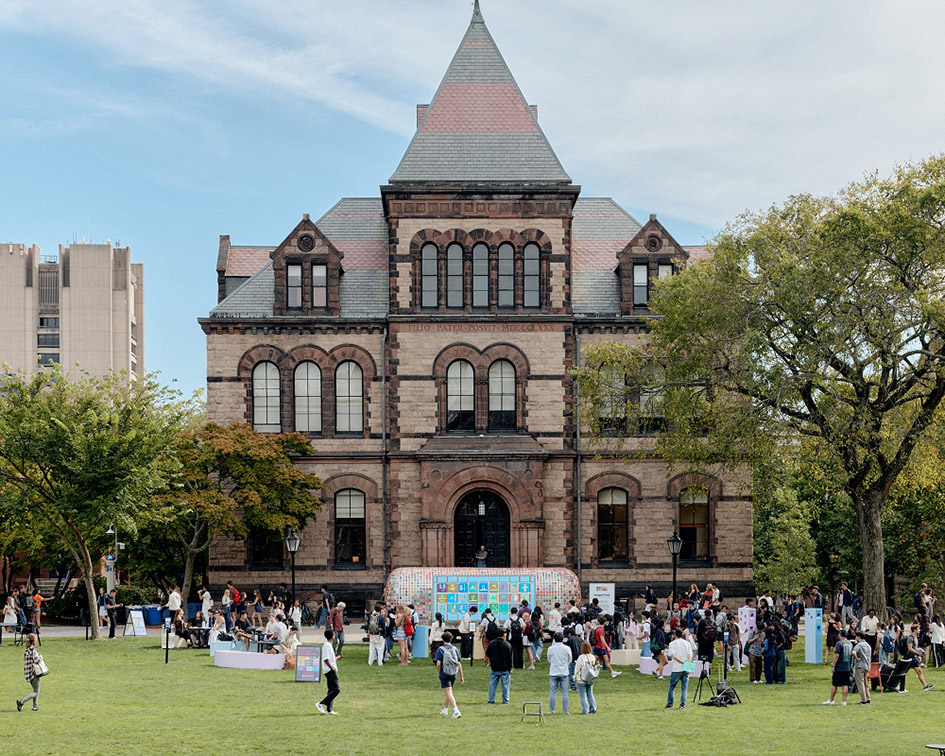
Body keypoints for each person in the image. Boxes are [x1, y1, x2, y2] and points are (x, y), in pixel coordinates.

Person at [434, 631, 464, 718]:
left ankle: (456, 710)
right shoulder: (455, 649)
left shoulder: (440, 649)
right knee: (448, 691)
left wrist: (439, 672)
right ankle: (445, 710)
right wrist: (461, 676)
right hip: (453, 672)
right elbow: (459, 663)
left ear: (442, 639)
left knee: (449, 692)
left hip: (445, 673)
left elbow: (438, 663)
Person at [664, 628, 692, 709]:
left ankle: (670, 703)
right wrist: (688, 665)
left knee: (672, 687)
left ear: (675, 635)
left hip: (677, 668)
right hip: (686, 667)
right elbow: (690, 655)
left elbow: (674, 656)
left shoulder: (672, 644)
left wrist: (683, 662)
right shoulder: (687, 643)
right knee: (684, 688)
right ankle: (682, 704)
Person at [16, 634, 43, 712]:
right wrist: (41, 657)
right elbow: (37, 660)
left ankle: (35, 707)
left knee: (35, 690)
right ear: (34, 641)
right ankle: (21, 702)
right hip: (34, 673)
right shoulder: (33, 650)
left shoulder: (27, 649)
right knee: (36, 691)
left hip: (28, 673)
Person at [824, 629, 853, 704]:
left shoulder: (839, 643)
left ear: (840, 635)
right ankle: (844, 701)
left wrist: (833, 665)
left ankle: (831, 700)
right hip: (847, 666)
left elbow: (836, 655)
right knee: (845, 684)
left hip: (840, 666)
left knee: (835, 684)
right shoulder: (850, 643)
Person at [485, 628, 513, 704]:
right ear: (504, 634)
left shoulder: (492, 643)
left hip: (494, 667)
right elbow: (509, 658)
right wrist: (510, 668)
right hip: (504, 668)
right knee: (505, 686)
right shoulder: (507, 645)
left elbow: (488, 654)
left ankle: (491, 699)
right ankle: (505, 700)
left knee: (492, 685)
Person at [316, 628, 340, 715]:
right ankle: (321, 703)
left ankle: (329, 710)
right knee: (337, 689)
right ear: (333, 636)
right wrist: (332, 668)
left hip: (330, 669)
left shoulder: (329, 645)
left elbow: (330, 658)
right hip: (330, 670)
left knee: (331, 689)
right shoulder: (327, 645)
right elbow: (326, 659)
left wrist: (337, 658)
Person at [547, 631, 571, 714]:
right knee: (564, 692)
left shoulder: (550, 648)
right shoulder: (567, 648)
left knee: (553, 692)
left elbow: (549, 659)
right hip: (564, 672)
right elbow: (570, 659)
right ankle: (565, 711)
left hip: (553, 671)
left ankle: (552, 710)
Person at [573, 641, 599, 714]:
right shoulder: (592, 657)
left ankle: (585, 710)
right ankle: (593, 708)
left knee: (583, 695)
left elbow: (577, 668)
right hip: (590, 678)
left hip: (581, 679)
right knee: (590, 694)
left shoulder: (581, 658)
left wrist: (574, 677)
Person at [852, 630, 872, 705]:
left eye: (856, 636)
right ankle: (868, 697)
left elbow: (853, 652)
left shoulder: (859, 645)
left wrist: (856, 658)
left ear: (858, 637)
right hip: (867, 666)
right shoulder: (867, 645)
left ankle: (863, 700)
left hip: (860, 665)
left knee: (860, 683)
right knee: (866, 683)